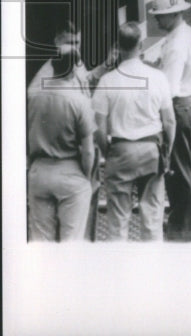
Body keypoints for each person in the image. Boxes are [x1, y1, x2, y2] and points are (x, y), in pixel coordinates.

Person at [92, 22, 175, 241]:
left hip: (120, 150)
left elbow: (98, 128)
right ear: (141, 45)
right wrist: (167, 149)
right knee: (152, 219)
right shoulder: (158, 78)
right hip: (151, 150)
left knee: (117, 221)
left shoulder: (107, 81)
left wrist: (107, 150)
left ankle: (120, 270)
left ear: (118, 46)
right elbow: (169, 121)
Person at [145, 0, 191, 242]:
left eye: (160, 15)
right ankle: (186, 221)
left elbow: (168, 89)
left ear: (174, 14)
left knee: (177, 171)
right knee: (185, 167)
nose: (157, 19)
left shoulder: (176, 45)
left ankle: (181, 229)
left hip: (178, 107)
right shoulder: (189, 34)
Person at [26, 35, 97, 241]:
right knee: (71, 241)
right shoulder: (79, 101)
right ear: (73, 69)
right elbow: (89, 149)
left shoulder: (35, 97)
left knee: (41, 241)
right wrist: (86, 176)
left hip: (39, 170)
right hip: (70, 169)